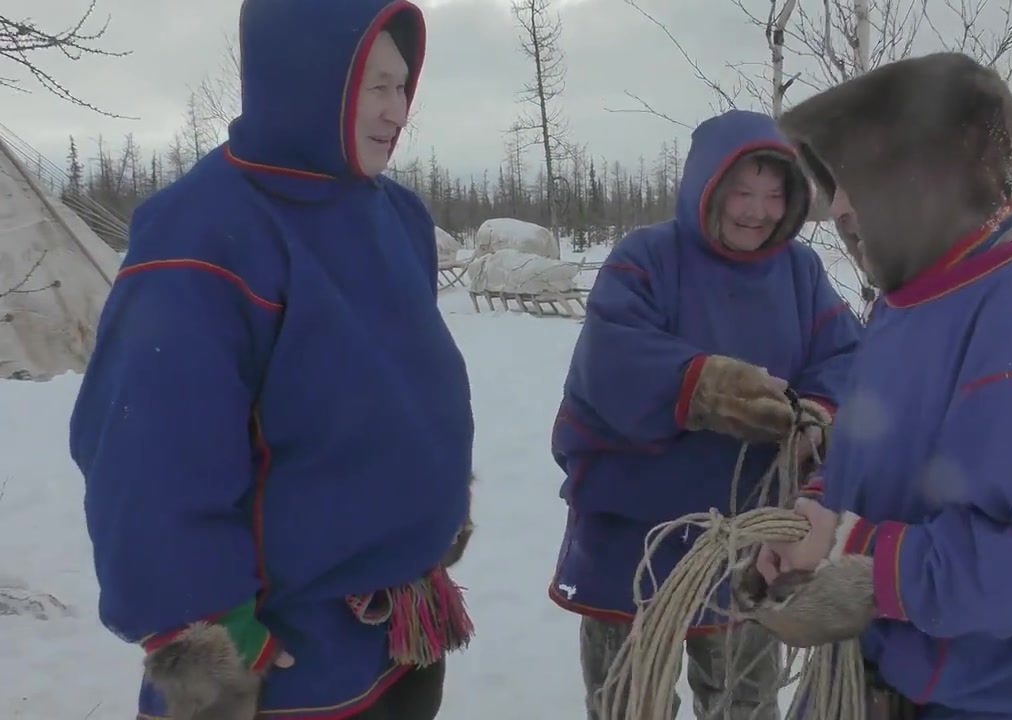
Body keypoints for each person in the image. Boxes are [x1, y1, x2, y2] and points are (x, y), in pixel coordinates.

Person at [68, 0, 475, 718]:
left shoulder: (397, 215)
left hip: (402, 633)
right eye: (373, 85)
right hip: (283, 667)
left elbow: (399, 386)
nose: (396, 109)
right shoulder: (204, 232)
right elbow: (147, 453)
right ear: (308, 78)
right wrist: (204, 631)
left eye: (403, 84)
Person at [735, 53, 1012, 720]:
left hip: (986, 704)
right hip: (877, 684)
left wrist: (856, 554)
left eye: (853, 180)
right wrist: (813, 518)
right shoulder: (914, 304)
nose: (836, 205)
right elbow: (881, 453)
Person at [548, 109, 865, 719]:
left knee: (744, 698)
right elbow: (606, 359)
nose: (757, 210)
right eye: (741, 192)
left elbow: (844, 355)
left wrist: (819, 414)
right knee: (630, 700)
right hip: (633, 536)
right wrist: (703, 386)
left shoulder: (800, 271)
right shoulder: (645, 257)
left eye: (775, 194)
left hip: (745, 535)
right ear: (706, 188)